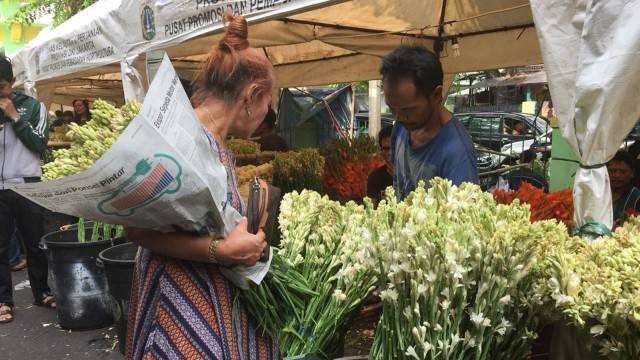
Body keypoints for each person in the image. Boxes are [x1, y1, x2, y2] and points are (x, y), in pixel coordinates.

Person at [125, 13, 278, 359]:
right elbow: (134, 229)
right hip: (178, 297)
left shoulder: (214, 141)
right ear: (252, 95)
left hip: (206, 290)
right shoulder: (182, 139)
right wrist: (221, 251)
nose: (268, 110)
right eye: (269, 100)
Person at [381, 45, 478, 200]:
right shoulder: (401, 126)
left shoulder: (457, 153)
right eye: (392, 109)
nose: (398, 117)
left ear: (436, 95)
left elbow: (461, 220)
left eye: (408, 110)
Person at [0, 55, 55, 324]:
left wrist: (14, 117)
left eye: (0, 87)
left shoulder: (33, 106)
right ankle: (3, 301)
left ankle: (42, 291)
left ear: (12, 82)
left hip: (27, 186)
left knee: (35, 243)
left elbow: (39, 144)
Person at [608, 151, 640, 226]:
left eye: (623, 172)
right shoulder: (598, 193)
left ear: (632, 173)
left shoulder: (637, 198)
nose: (617, 175)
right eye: (613, 171)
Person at [367, 125, 394, 203]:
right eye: (386, 149)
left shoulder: (413, 175)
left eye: (393, 148)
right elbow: (371, 208)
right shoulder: (375, 177)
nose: (390, 153)